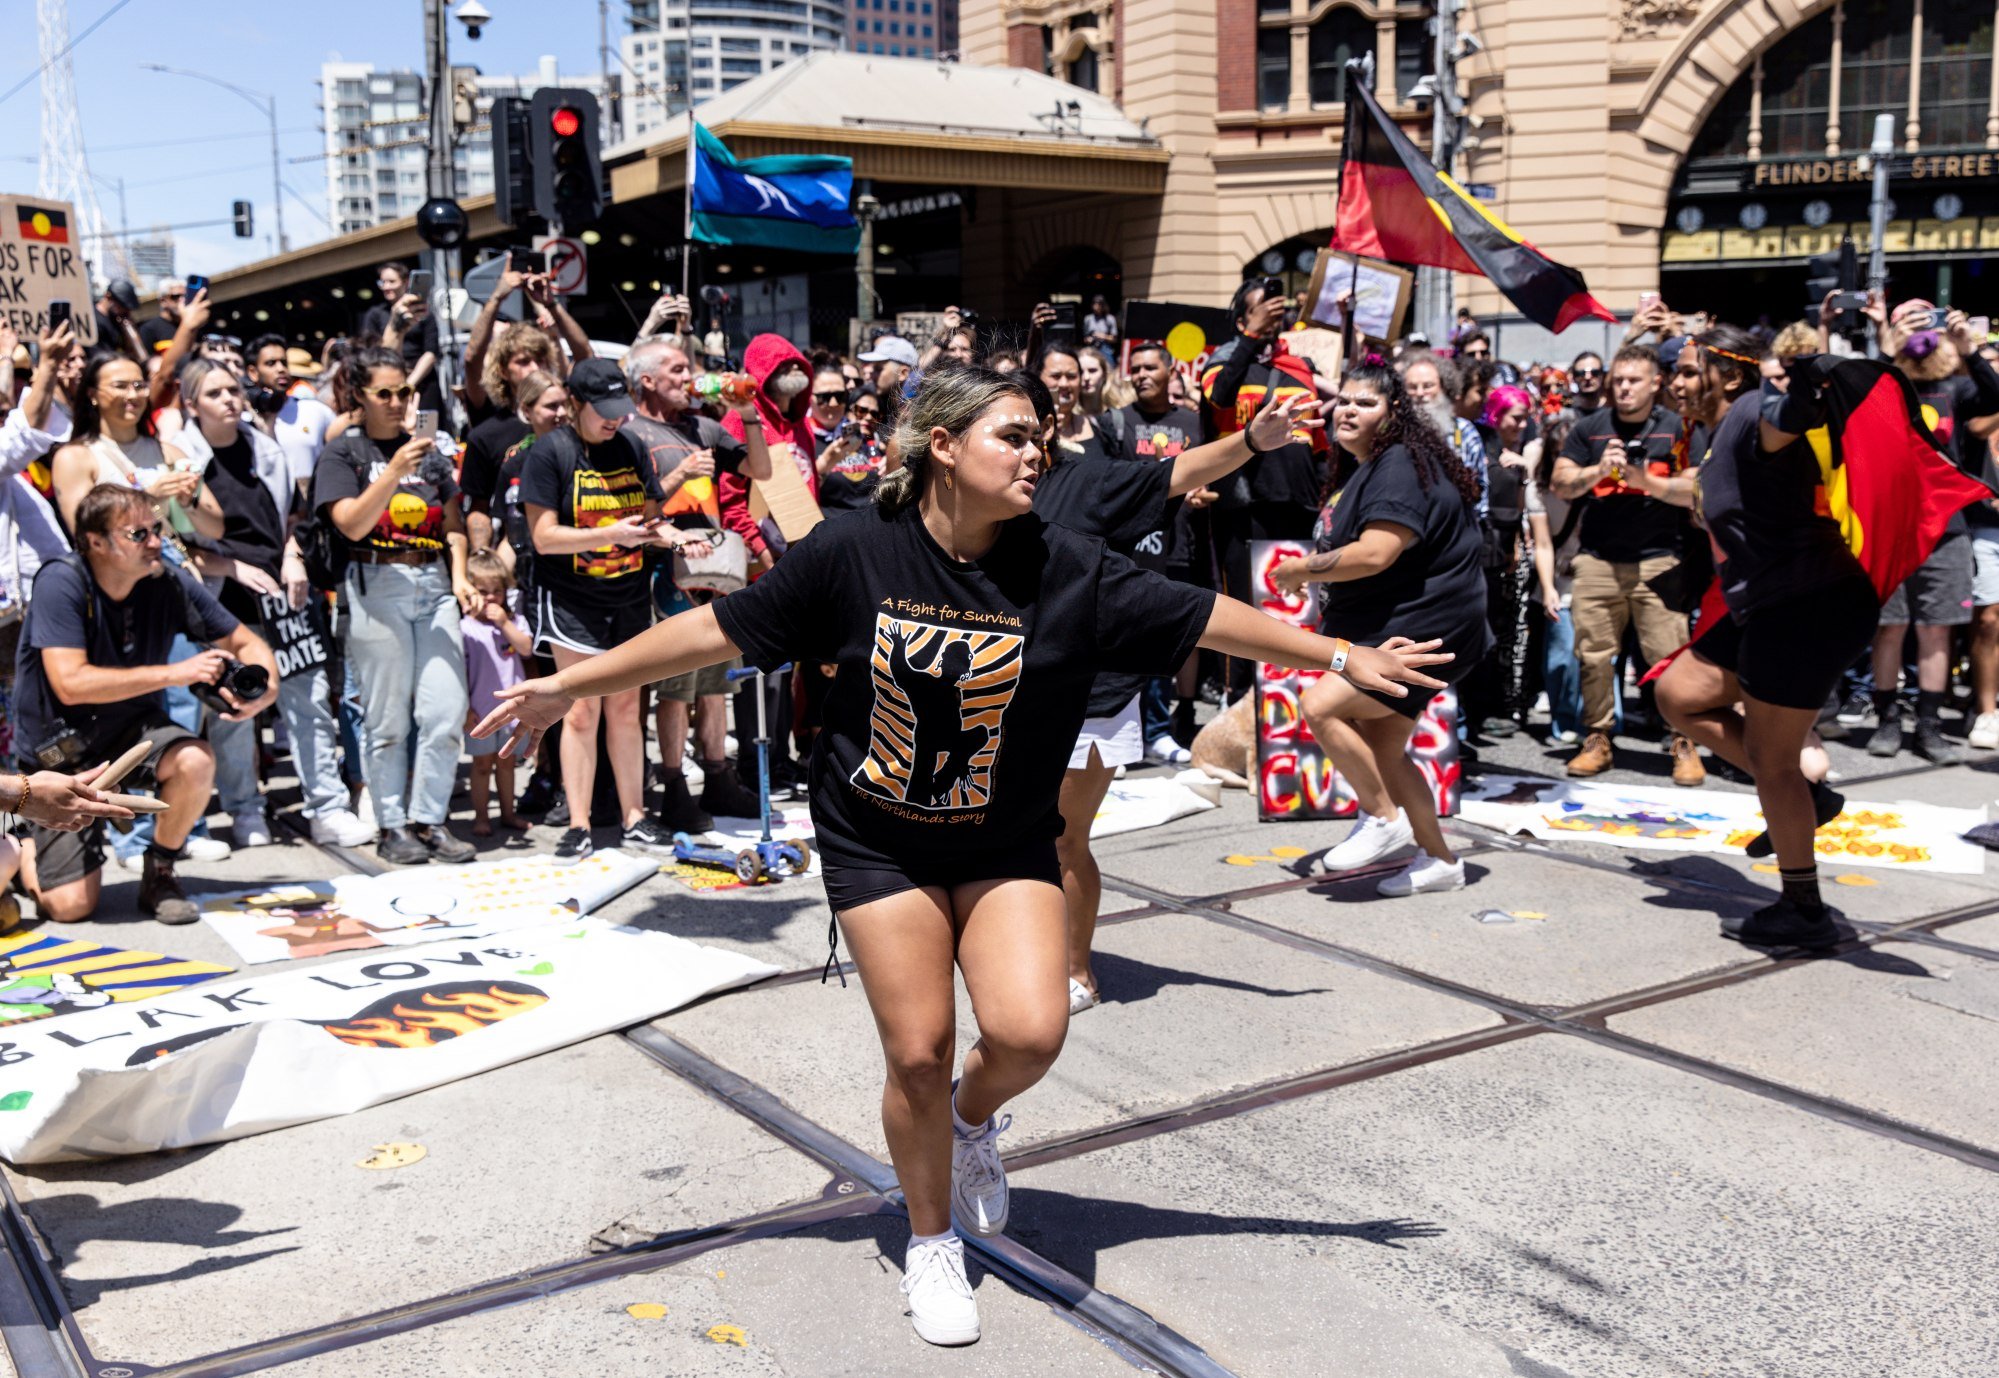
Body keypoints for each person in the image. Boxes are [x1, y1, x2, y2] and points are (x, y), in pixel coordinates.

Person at [475, 364, 1450, 1348]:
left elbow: (1196, 615)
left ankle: (972, 1124)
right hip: (877, 840)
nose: (1036, 453)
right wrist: (575, 683)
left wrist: (1332, 656)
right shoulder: (854, 550)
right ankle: (931, 1237)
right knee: (916, 1046)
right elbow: (718, 626)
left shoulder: (1065, 560)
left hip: (1005, 838)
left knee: (1028, 1033)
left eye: (1040, 437)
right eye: (1013, 436)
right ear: (942, 446)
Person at [1035, 380, 1326, 1012]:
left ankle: (1076, 971)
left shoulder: (1083, 481)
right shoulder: (960, 496)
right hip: (1008, 696)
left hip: (1094, 692)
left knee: (1061, 837)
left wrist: (1249, 440)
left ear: (1044, 425)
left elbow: (1180, 469)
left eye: (1021, 426)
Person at [1656, 328, 1880, 948]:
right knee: (1678, 695)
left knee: (1772, 762)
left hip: (1808, 604)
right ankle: (1810, 799)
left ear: (1729, 376)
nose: (1676, 380)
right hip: (1763, 603)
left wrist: (1805, 386)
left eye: (1689, 369)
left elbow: (1786, 420)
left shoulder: (1755, 411)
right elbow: (1701, 493)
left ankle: (1804, 908)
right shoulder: (1711, 433)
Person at [1271, 361, 1490, 895]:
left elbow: (1376, 553)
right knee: (1385, 748)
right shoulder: (1365, 467)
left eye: (1365, 402)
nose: (1348, 408)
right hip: (1402, 619)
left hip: (1425, 622)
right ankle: (1441, 862)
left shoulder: (1396, 464)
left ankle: (1383, 818)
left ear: (1394, 417)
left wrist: (1300, 568)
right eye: (1344, 399)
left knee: (1321, 706)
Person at [13, 483, 278, 923]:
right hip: (59, 749)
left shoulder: (165, 577)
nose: (155, 541)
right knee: (70, 907)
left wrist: (262, 690)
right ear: (96, 542)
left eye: (157, 528)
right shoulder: (61, 580)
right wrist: (180, 672)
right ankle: (21, 849)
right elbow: (70, 683)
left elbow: (245, 640)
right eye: (138, 534)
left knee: (195, 759)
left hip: (130, 732)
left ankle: (160, 872)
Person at [175, 358, 374, 849]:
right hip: (224, 601)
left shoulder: (266, 448)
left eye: (232, 390)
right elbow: (176, 543)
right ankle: (244, 811)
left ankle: (326, 807)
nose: (229, 400)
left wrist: (293, 556)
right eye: (214, 393)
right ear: (190, 405)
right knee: (236, 711)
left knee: (307, 702)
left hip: (285, 596)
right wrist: (230, 568)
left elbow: (294, 516)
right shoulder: (181, 460)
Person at [312, 347, 477, 867]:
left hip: (433, 585)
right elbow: (352, 524)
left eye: (404, 391)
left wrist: (460, 578)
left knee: (445, 710)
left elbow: (452, 524)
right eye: (384, 393)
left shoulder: (425, 451)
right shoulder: (344, 454)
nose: (397, 401)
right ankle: (392, 824)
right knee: (386, 721)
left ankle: (430, 820)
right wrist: (391, 472)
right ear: (359, 396)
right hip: (374, 582)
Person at [522, 357, 690, 864]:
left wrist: (676, 537)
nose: (614, 420)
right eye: (603, 410)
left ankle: (634, 815)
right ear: (575, 404)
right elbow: (543, 537)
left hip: (628, 595)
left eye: (620, 409)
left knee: (624, 709)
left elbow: (652, 518)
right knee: (579, 712)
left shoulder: (631, 445)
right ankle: (578, 822)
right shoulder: (550, 452)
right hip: (572, 600)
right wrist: (609, 534)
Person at [620, 339, 771, 826]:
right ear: (646, 380)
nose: (690, 376)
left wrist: (747, 412)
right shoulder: (631, 433)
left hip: (714, 572)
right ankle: (674, 786)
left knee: (716, 683)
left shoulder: (703, 425)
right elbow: (631, 512)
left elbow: (761, 470)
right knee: (676, 688)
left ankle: (718, 779)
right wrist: (681, 472)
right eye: (677, 368)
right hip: (665, 573)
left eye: (690, 367)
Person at [1549, 343, 1703, 783]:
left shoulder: (1679, 427)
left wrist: (1644, 480)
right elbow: (1561, 483)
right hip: (1598, 559)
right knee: (1594, 656)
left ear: (1656, 383)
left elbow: (1695, 486)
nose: (1624, 388)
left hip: (1659, 559)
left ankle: (1683, 741)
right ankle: (1597, 738)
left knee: (1669, 657)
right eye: (1618, 380)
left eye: (1633, 380)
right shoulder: (1590, 427)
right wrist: (1597, 471)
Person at [1863, 298, 1999, 762]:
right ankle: (1886, 722)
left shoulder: (1954, 388)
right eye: (1910, 322)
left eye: (1927, 323)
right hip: (1891, 526)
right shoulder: (1884, 382)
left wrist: (1971, 351)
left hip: (1946, 527)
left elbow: (1994, 398)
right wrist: (1887, 349)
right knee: (1889, 627)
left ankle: (1927, 726)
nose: (1920, 334)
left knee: (1937, 630)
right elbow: (1854, 404)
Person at [1117, 343, 1208, 754]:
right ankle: (1133, 732)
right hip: (1134, 548)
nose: (1141, 374)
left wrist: (1200, 494)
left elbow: (1209, 473)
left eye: (1150, 367)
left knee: (1174, 636)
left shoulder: (1193, 421)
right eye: (1135, 368)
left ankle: (1161, 728)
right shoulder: (1117, 422)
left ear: (1171, 372)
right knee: (1132, 641)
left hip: (1180, 545)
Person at [49, 353, 224, 546]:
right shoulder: (74, 458)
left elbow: (216, 529)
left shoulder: (169, 453)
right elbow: (85, 536)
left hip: (173, 566)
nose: (132, 395)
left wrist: (188, 503)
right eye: (120, 386)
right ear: (92, 395)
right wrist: (148, 499)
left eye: (139, 386)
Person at [462, 322, 566, 551]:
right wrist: (483, 557)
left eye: (541, 360)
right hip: (514, 547)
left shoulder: (567, 425)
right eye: (523, 362)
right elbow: (478, 507)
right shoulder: (486, 435)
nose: (535, 368)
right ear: (503, 370)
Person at [461, 550, 533, 836]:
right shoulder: (465, 628)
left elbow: (526, 649)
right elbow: (461, 674)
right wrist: (465, 709)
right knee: (480, 766)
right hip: (479, 711)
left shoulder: (514, 622)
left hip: (513, 713)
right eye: (483, 591)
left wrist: (504, 623)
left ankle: (508, 813)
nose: (491, 598)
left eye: (497, 591)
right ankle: (481, 817)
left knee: (507, 765)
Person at [244, 335, 337, 515]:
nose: (281, 369)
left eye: (284, 362)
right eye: (271, 363)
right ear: (253, 372)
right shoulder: (242, 418)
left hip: (311, 516)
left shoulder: (314, 410)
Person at [93, 279, 145, 363]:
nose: (126, 312)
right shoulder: (94, 321)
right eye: (122, 306)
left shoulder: (117, 320)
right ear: (108, 297)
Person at [139, 279, 184, 355]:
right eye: (176, 296)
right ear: (163, 301)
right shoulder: (149, 329)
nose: (182, 300)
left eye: (185, 296)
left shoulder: (192, 324)